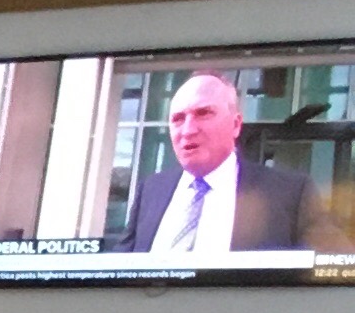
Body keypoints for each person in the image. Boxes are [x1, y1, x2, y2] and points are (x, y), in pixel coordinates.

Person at [122, 70, 307, 258]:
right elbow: (121, 265)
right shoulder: (151, 190)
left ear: (236, 125)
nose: (188, 131)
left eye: (203, 113)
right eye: (178, 119)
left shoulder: (289, 194)